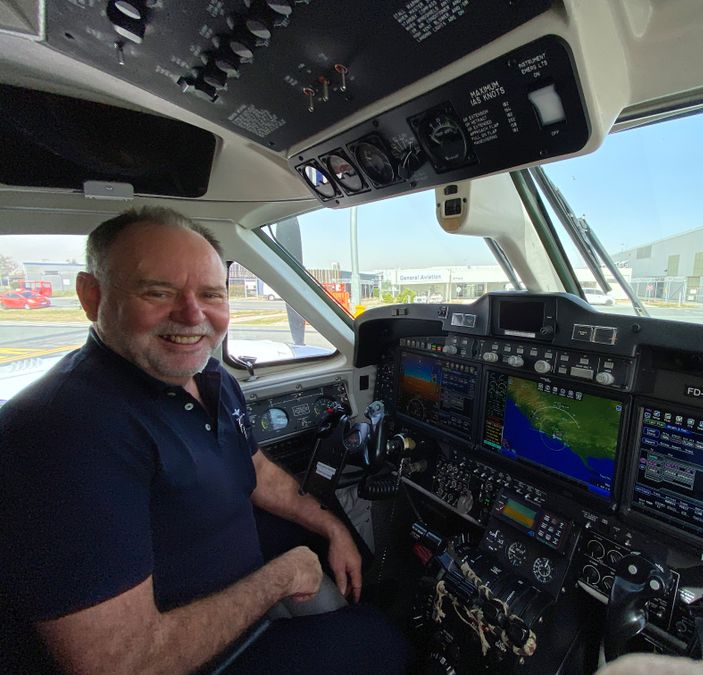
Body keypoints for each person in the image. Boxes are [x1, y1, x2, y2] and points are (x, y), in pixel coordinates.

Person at [0, 207, 409, 673]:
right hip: (195, 655)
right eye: (158, 291)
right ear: (92, 297)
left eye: (211, 294)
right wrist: (277, 579)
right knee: (382, 643)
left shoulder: (208, 373)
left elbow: (253, 469)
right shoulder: (64, 434)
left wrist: (332, 528)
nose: (193, 315)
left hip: (229, 594)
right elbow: (120, 665)